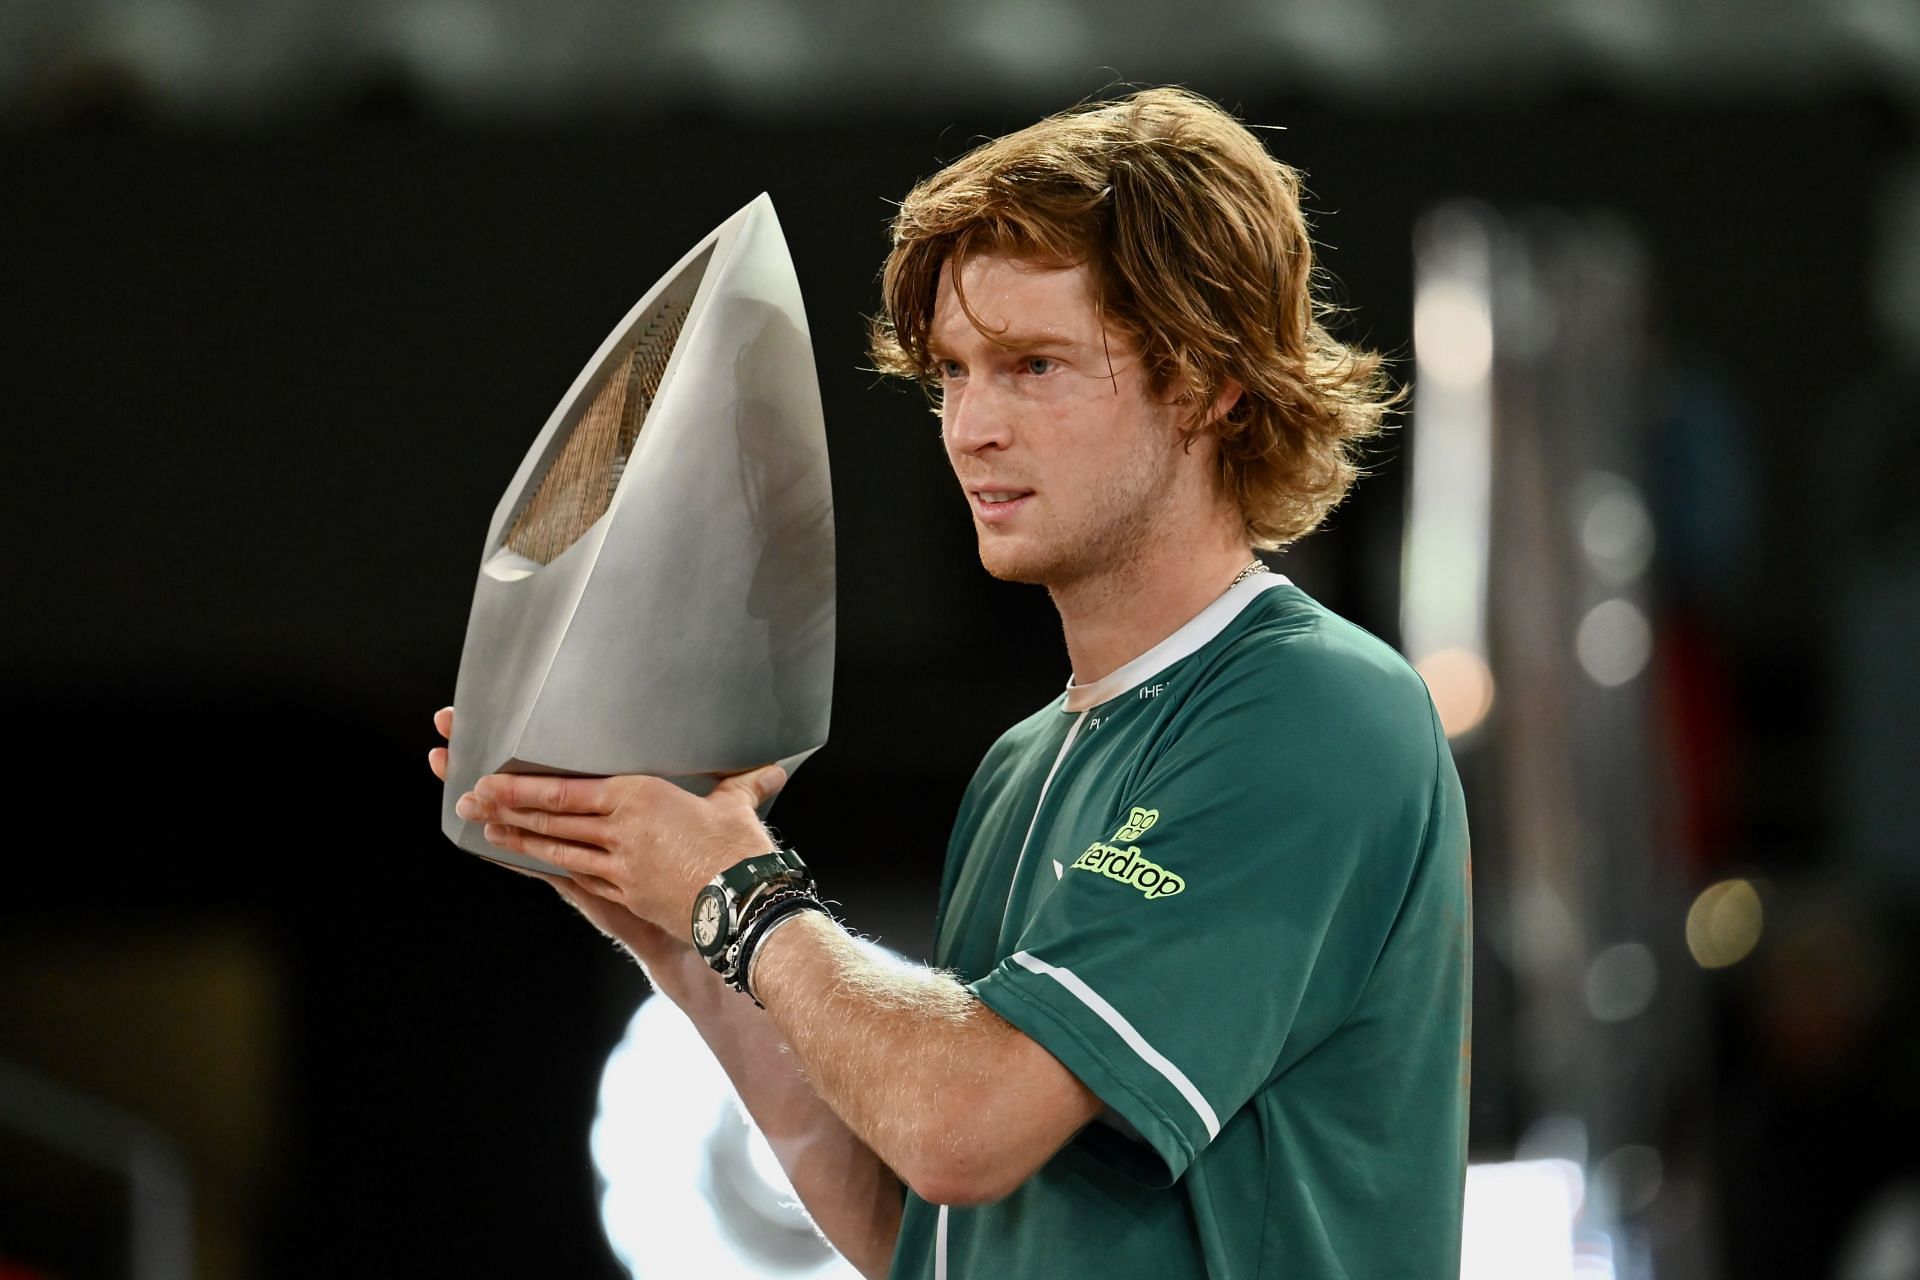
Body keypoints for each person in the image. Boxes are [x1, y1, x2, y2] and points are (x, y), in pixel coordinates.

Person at [430, 87, 1471, 1279]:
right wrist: (669, 922)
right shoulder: (1027, 763)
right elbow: (919, 1228)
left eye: (1034, 365)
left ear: (1213, 381)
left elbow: (961, 1128)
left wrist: (733, 883)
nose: (972, 426)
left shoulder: (1317, 711)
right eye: (952, 373)